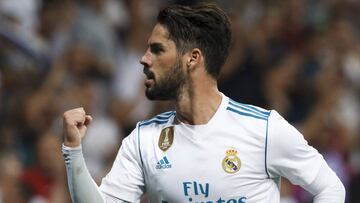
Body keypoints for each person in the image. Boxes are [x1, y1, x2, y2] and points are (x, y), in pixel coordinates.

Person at [62, 3, 346, 203]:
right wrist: (73, 150)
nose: (144, 58)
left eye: (157, 49)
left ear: (193, 58)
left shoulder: (263, 129)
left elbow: (331, 188)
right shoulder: (142, 140)